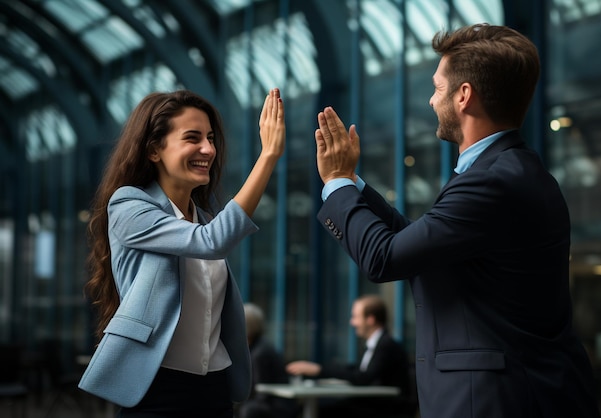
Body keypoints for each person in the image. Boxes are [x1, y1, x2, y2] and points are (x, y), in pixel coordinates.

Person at [313, 23, 601, 418]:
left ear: (464, 95)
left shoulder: (493, 181)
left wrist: (335, 183)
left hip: (493, 401)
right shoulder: (507, 172)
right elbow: (417, 245)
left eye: (438, 87)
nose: (432, 101)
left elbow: (384, 258)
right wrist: (352, 183)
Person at [78, 88, 285, 417]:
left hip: (214, 387)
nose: (208, 149)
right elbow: (211, 242)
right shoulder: (128, 205)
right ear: (154, 150)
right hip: (156, 387)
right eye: (193, 137)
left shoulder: (201, 220)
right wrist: (268, 156)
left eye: (211, 138)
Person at [286, 294, 416, 418]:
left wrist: (320, 370)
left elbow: (363, 378)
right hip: (375, 405)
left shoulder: (385, 345)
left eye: (355, 317)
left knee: (323, 410)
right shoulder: (377, 343)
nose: (352, 322)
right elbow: (359, 372)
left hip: (386, 409)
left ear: (370, 319)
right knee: (310, 408)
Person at [236, 303, 299, 418]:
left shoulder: (259, 353)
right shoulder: (258, 346)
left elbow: (261, 391)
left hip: (276, 405)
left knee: (247, 409)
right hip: (274, 402)